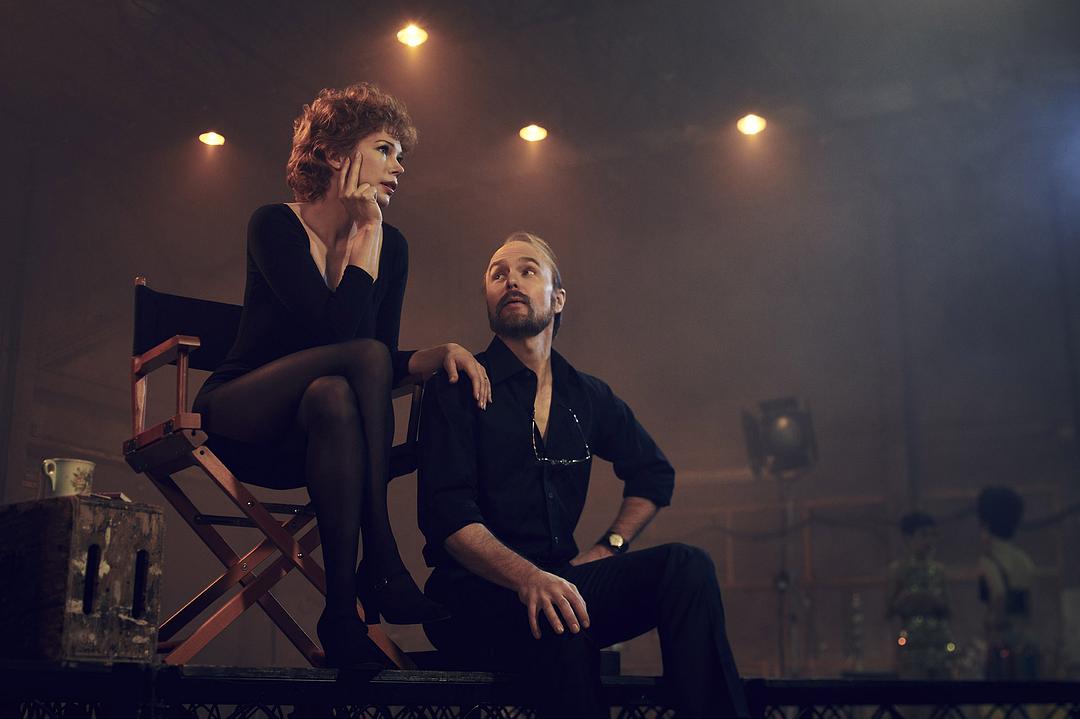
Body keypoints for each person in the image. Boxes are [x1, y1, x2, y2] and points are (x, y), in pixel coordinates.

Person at [192, 83, 491, 668]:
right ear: (333, 154)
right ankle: (380, 550)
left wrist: (431, 355)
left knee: (334, 392)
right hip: (242, 417)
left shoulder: (393, 247)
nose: (399, 167)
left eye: (400, 154)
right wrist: (364, 235)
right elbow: (334, 335)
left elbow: (369, 357)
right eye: (384, 149)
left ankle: (341, 613)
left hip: (319, 441)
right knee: (354, 365)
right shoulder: (274, 225)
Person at [416, 232, 749, 719]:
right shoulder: (459, 384)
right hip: (470, 600)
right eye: (497, 274)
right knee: (562, 625)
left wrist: (609, 547)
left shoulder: (586, 394)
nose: (511, 280)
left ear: (558, 299)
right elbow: (447, 516)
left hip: (562, 585)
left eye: (528, 270)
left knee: (687, 566)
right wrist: (529, 578)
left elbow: (653, 475)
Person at [976, 486, 1039, 679]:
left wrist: (992, 624)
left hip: (1002, 641)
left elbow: (999, 594)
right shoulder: (1024, 559)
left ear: (985, 523)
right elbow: (1031, 601)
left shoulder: (988, 561)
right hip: (1026, 639)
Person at [887, 512, 954, 678]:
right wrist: (905, 600)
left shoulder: (939, 571)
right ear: (908, 538)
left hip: (939, 645)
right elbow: (889, 611)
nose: (929, 541)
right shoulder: (899, 571)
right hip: (912, 648)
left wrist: (936, 602)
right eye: (924, 535)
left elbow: (949, 610)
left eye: (933, 535)